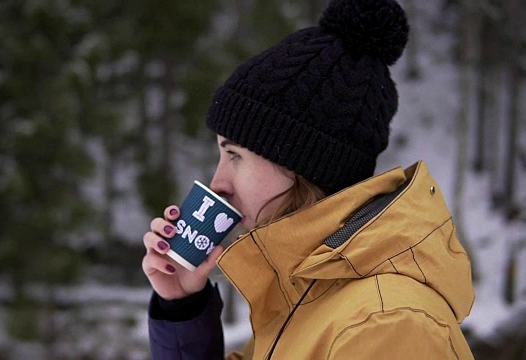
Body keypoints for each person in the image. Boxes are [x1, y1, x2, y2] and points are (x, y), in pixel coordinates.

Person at [141, 0, 475, 358]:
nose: (217, 182)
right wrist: (182, 307)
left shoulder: (385, 326)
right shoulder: (302, 299)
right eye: (221, 155)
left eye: (235, 155)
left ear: (305, 164)